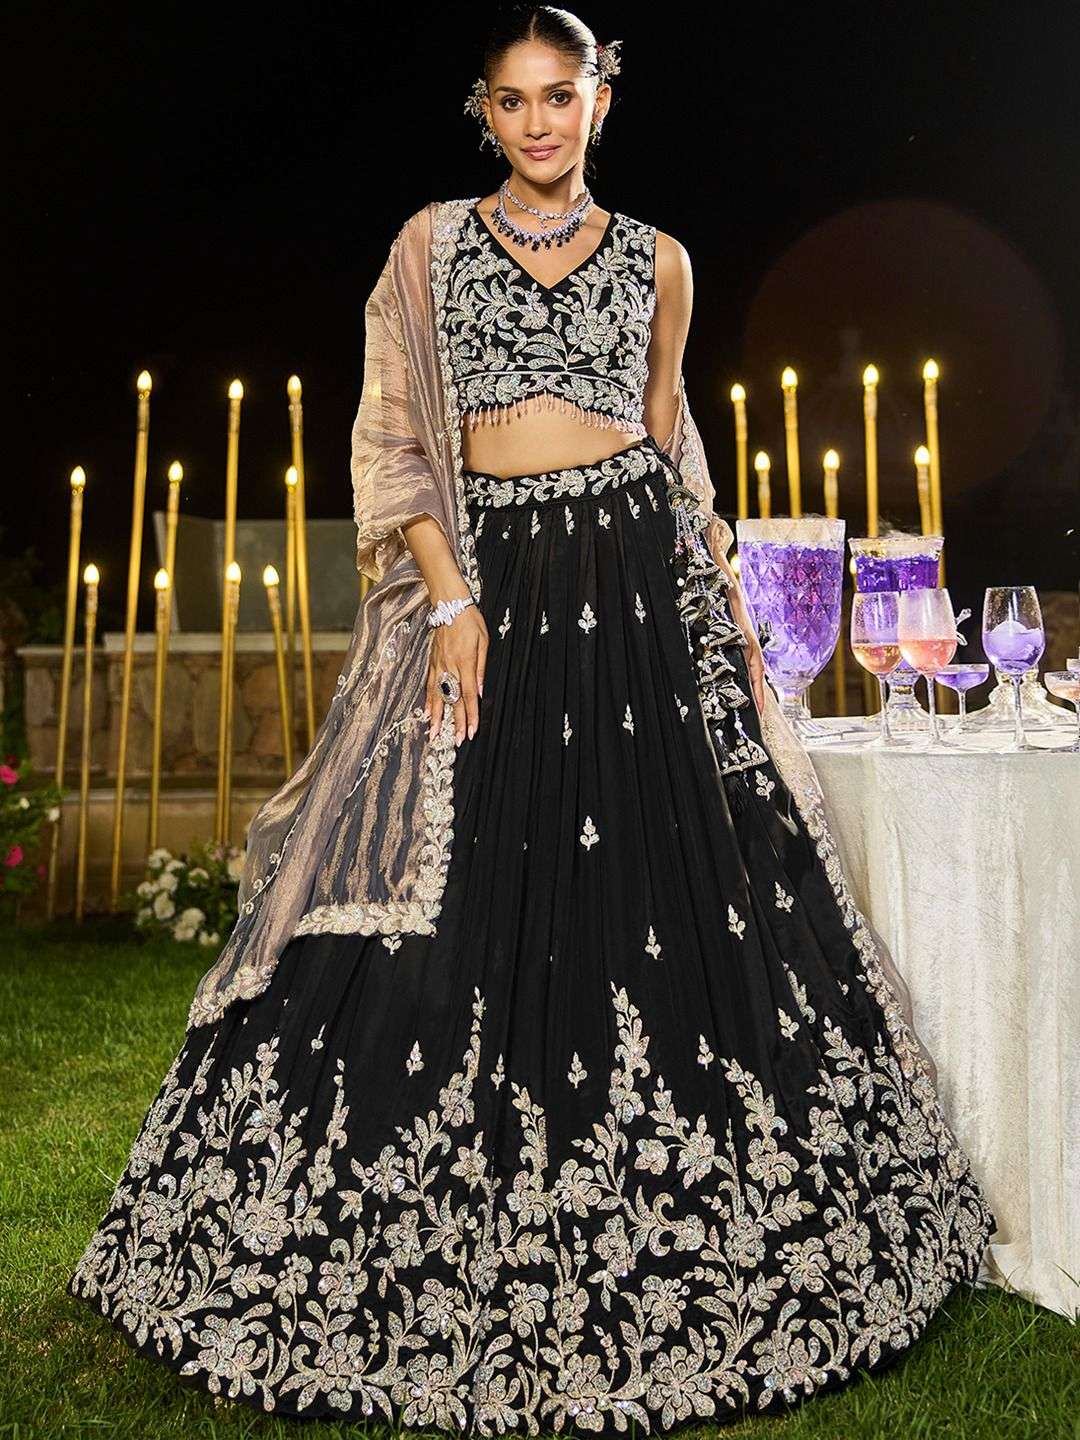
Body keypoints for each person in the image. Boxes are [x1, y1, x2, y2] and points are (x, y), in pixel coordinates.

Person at [67, 6, 994, 1433]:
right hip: (494, 578)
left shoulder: (661, 259)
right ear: (484, 114)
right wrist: (450, 598)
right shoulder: (430, 247)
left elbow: (669, 429)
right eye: (513, 101)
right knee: (451, 892)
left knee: (675, 893)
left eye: (561, 96)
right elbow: (394, 438)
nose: (540, 122)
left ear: (601, 101)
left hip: (633, 585)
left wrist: (720, 587)